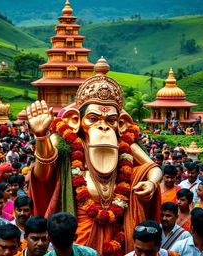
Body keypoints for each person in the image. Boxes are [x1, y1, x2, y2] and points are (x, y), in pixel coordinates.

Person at [26, 58, 163, 254]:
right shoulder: (67, 142)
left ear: (121, 123)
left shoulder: (124, 144)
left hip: (118, 231)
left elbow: (153, 168)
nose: (103, 126)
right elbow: (43, 176)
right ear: (75, 120)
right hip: (81, 234)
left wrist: (151, 183)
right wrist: (41, 136)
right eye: (93, 119)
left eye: (111, 120)